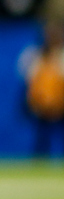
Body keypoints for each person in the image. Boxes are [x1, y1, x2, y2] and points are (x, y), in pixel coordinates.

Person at [20, 20, 64, 157]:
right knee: (41, 137)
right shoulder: (35, 55)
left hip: (61, 102)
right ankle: (39, 161)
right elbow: (29, 81)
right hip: (41, 103)